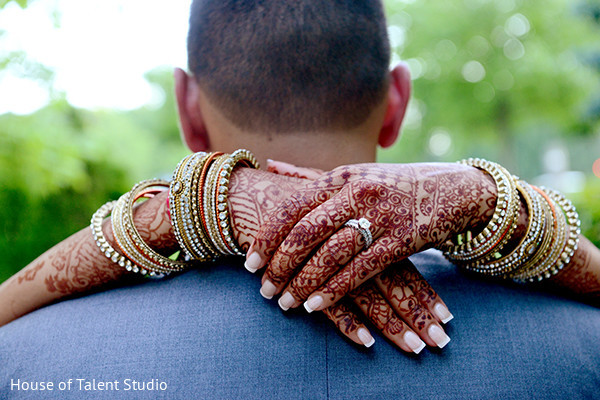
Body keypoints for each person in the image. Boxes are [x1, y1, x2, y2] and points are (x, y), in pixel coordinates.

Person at [1, 0, 599, 399]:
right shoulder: (583, 351)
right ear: (397, 101)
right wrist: (503, 203)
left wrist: (180, 211)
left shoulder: (27, 363)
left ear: (187, 108)